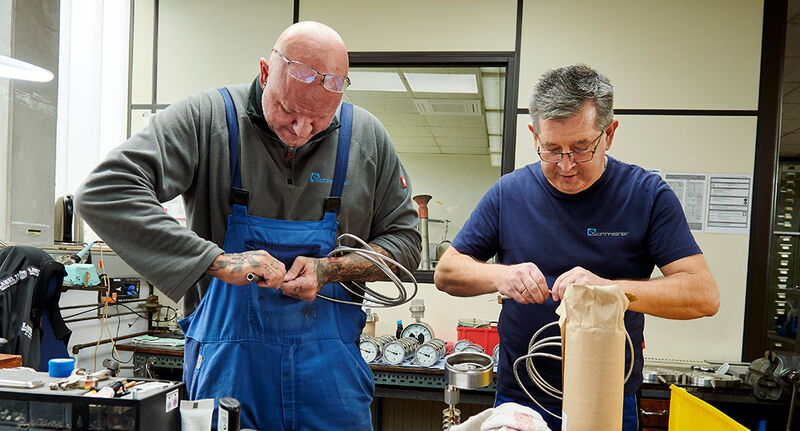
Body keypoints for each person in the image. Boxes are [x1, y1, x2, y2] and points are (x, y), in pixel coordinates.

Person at [76, 21, 421, 430]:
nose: (301, 130)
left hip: (331, 380)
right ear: (264, 72)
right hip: (230, 373)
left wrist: (329, 270)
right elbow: (104, 192)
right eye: (290, 110)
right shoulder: (207, 120)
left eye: (320, 119)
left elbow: (405, 245)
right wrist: (217, 260)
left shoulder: (367, 138)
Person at [434, 64, 719, 431]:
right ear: (533, 135)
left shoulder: (647, 195)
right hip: (521, 395)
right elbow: (447, 272)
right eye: (551, 149)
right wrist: (501, 275)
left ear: (610, 134)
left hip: (609, 398)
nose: (566, 165)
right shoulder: (510, 193)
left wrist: (610, 290)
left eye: (581, 148)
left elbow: (703, 295)